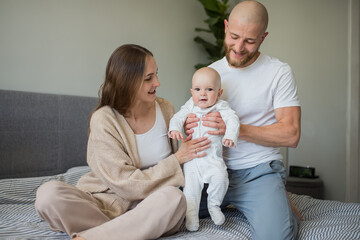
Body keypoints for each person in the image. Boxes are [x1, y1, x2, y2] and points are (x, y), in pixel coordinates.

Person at [35, 44, 211, 240]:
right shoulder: (104, 119)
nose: (158, 83)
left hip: (152, 205)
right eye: (148, 78)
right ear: (127, 82)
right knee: (48, 194)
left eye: (156, 74)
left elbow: (188, 156)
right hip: (104, 203)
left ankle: (98, 235)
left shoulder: (166, 109)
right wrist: (176, 159)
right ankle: (127, 231)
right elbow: (126, 185)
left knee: (174, 198)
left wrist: (194, 131)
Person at [185, 1, 302, 240]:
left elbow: (291, 134)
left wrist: (236, 129)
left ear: (263, 37)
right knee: (168, 214)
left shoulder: (278, 72)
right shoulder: (211, 74)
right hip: (212, 170)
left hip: (257, 172)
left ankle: (276, 200)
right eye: (234, 36)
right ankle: (276, 201)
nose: (238, 47)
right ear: (225, 27)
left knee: (276, 236)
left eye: (250, 41)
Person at [168, 67, 239, 231]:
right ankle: (191, 219)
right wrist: (175, 129)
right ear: (192, 92)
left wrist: (230, 136)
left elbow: (232, 119)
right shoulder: (190, 105)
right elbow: (178, 117)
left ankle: (214, 205)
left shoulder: (221, 106)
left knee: (221, 178)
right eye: (198, 89)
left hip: (213, 159)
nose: (203, 94)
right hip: (192, 160)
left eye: (209, 89)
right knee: (190, 191)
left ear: (219, 93)